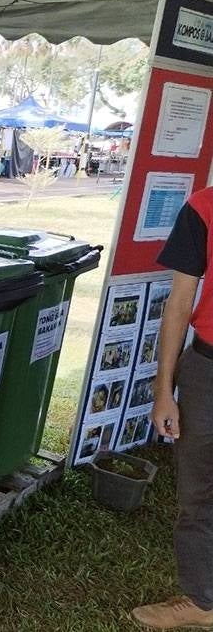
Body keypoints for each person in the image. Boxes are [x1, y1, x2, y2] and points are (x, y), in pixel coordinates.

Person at [132, 187, 213, 630]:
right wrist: (164, 389)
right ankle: (203, 601)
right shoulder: (203, 208)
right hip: (206, 368)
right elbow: (179, 302)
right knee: (197, 491)